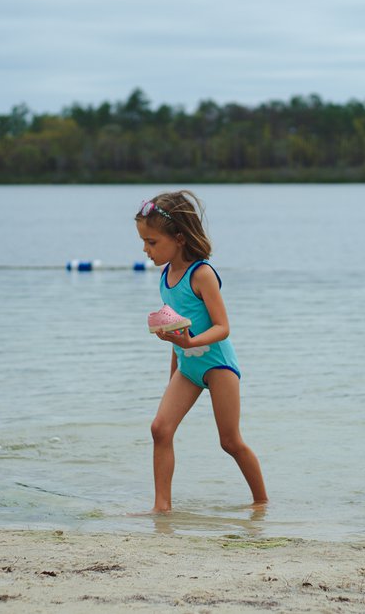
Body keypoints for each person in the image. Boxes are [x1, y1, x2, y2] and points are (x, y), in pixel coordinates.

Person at [135, 190, 268, 512]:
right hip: (187, 368)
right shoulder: (166, 277)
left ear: (179, 237)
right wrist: (173, 375)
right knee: (159, 429)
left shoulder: (202, 274)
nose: (145, 250)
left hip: (218, 366)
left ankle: (261, 503)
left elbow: (223, 327)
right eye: (144, 242)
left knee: (230, 442)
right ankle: (162, 508)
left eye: (152, 242)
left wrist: (190, 343)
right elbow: (175, 329)